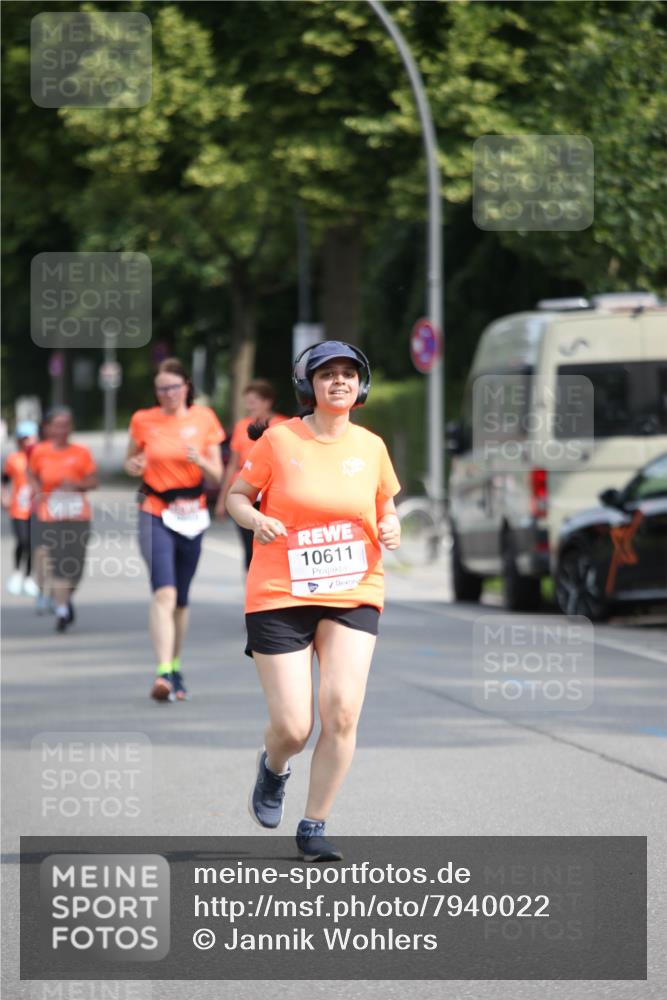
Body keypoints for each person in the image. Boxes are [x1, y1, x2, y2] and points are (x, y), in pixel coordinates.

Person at [226, 341, 401, 861]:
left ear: (360, 385)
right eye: (328, 375)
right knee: (293, 726)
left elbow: (386, 506)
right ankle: (274, 767)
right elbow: (237, 496)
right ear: (309, 386)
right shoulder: (280, 441)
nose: (339, 382)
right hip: (281, 592)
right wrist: (256, 518)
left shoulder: (370, 446)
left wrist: (390, 525)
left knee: (342, 711)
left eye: (349, 374)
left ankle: (314, 824)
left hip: (354, 589)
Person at [125, 358, 224, 702]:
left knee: (181, 600)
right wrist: (134, 464)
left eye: (173, 387)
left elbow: (217, 475)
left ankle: (175, 665)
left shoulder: (204, 419)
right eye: (161, 388)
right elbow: (130, 461)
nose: (167, 394)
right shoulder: (143, 420)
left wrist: (202, 461)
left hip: (192, 513)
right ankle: (163, 671)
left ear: (186, 387)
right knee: (163, 592)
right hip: (154, 510)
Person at [28, 407, 98, 632]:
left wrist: (77, 485)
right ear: (48, 428)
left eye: (66, 424)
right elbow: (31, 475)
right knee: (58, 564)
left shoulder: (81, 452)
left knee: (75, 567)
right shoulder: (40, 452)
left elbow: (93, 481)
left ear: (71, 427)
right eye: (56, 425)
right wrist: (38, 492)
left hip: (78, 514)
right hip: (50, 515)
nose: (61, 429)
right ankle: (61, 612)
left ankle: (65, 598)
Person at [215, 379, 287, 570]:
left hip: (272, 494)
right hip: (245, 494)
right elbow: (232, 464)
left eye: (254, 401)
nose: (249, 406)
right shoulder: (241, 426)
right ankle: (252, 590)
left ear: (267, 401)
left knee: (273, 545)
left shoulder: (283, 426)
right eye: (247, 401)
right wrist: (223, 500)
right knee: (249, 547)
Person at [2, 420, 39, 596]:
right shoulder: (14, 459)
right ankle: (17, 572)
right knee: (22, 541)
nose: (27, 442)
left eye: (29, 438)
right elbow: (4, 480)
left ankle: (29, 577)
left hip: (37, 508)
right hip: (18, 507)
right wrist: (4, 496)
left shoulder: (41, 456)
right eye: (23, 438)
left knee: (32, 544)